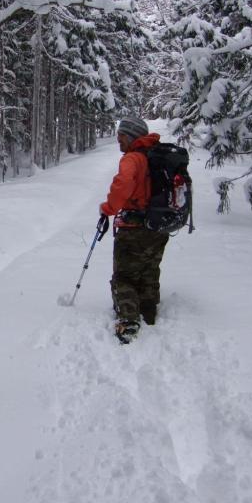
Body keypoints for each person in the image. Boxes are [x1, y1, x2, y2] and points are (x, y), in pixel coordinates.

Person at [100, 115, 169, 344]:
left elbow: (123, 184)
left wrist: (108, 208)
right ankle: (148, 312)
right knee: (149, 268)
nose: (118, 140)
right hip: (159, 226)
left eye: (121, 136)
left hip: (134, 227)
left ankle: (129, 322)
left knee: (124, 275)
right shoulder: (155, 156)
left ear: (131, 137)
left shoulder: (132, 159)